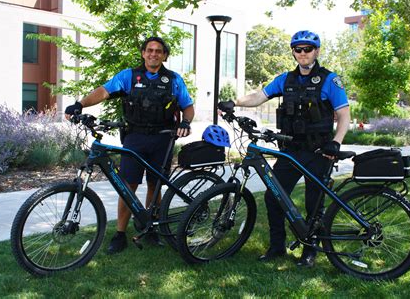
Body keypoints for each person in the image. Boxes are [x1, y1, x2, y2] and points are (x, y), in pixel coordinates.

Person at [218, 30, 350, 268]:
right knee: (273, 196)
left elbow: (344, 115)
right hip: (290, 151)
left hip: (320, 151)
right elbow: (259, 96)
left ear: (316, 51)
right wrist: (234, 102)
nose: (302, 53)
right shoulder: (285, 80)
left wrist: (336, 142)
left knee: (314, 203)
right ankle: (276, 246)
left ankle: (310, 251)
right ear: (293, 52)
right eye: (298, 49)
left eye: (307, 49)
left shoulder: (330, 80)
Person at [64, 36, 194, 254]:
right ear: (143, 53)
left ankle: (151, 227)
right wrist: (80, 104)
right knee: (128, 186)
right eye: (150, 50)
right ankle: (120, 234)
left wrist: (186, 121)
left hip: (163, 139)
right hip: (135, 138)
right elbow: (103, 91)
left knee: (155, 185)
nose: (154, 54)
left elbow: (187, 106)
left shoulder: (173, 79)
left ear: (164, 55)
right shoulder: (129, 76)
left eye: (158, 51)